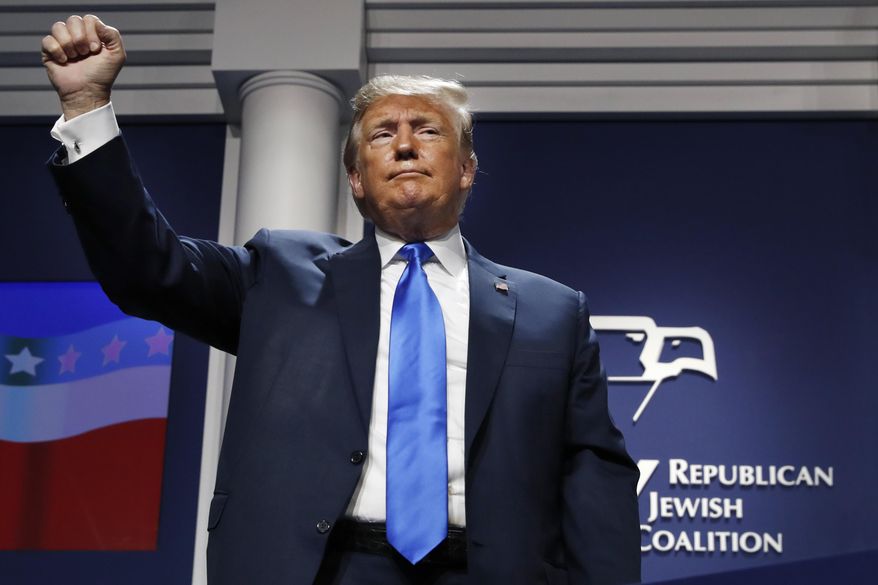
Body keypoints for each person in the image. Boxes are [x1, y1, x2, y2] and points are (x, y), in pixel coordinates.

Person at [42, 14, 641, 585]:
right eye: (384, 135)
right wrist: (87, 109)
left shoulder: (552, 312)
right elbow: (148, 270)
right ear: (356, 179)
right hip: (324, 570)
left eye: (427, 130)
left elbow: (593, 481)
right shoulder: (279, 275)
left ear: (466, 170)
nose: (405, 146)